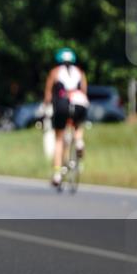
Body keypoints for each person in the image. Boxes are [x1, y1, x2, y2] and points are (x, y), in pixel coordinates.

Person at [43, 47, 89, 187]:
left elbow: (48, 94)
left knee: (59, 138)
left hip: (63, 103)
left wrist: (46, 107)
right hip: (79, 101)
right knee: (78, 124)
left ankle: (57, 174)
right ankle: (79, 140)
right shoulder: (80, 72)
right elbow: (84, 91)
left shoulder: (55, 72)